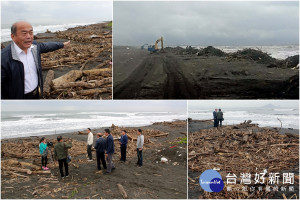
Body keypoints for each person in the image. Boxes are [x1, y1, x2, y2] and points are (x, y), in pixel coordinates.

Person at [1, 21, 70, 99]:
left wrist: (62, 45)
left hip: (36, 94)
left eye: (31, 33)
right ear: (13, 36)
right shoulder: (4, 58)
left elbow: (47, 46)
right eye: (24, 33)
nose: (29, 37)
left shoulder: (34, 47)